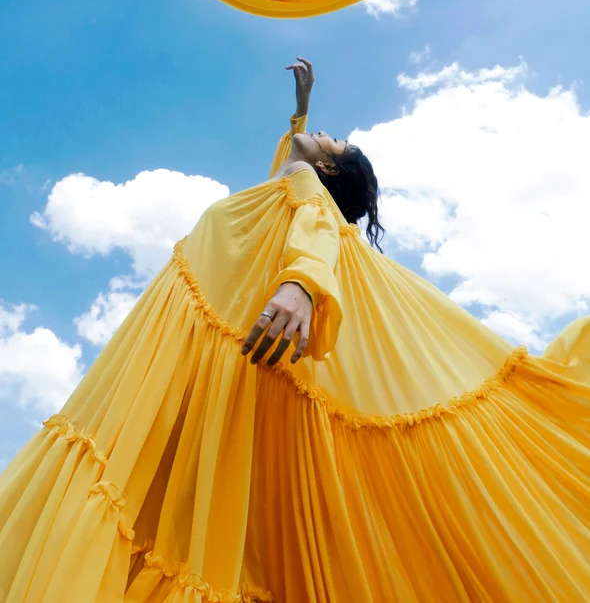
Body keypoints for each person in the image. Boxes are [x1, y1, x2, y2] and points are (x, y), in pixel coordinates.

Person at [0, 59, 589, 603]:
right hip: (193, 344)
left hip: (211, 341)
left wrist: (301, 285)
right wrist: (302, 108)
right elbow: (288, 162)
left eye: (332, 142)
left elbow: (320, 224)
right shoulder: (280, 189)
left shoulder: (305, 197)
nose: (324, 136)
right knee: (154, 494)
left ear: (327, 167)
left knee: (150, 495)